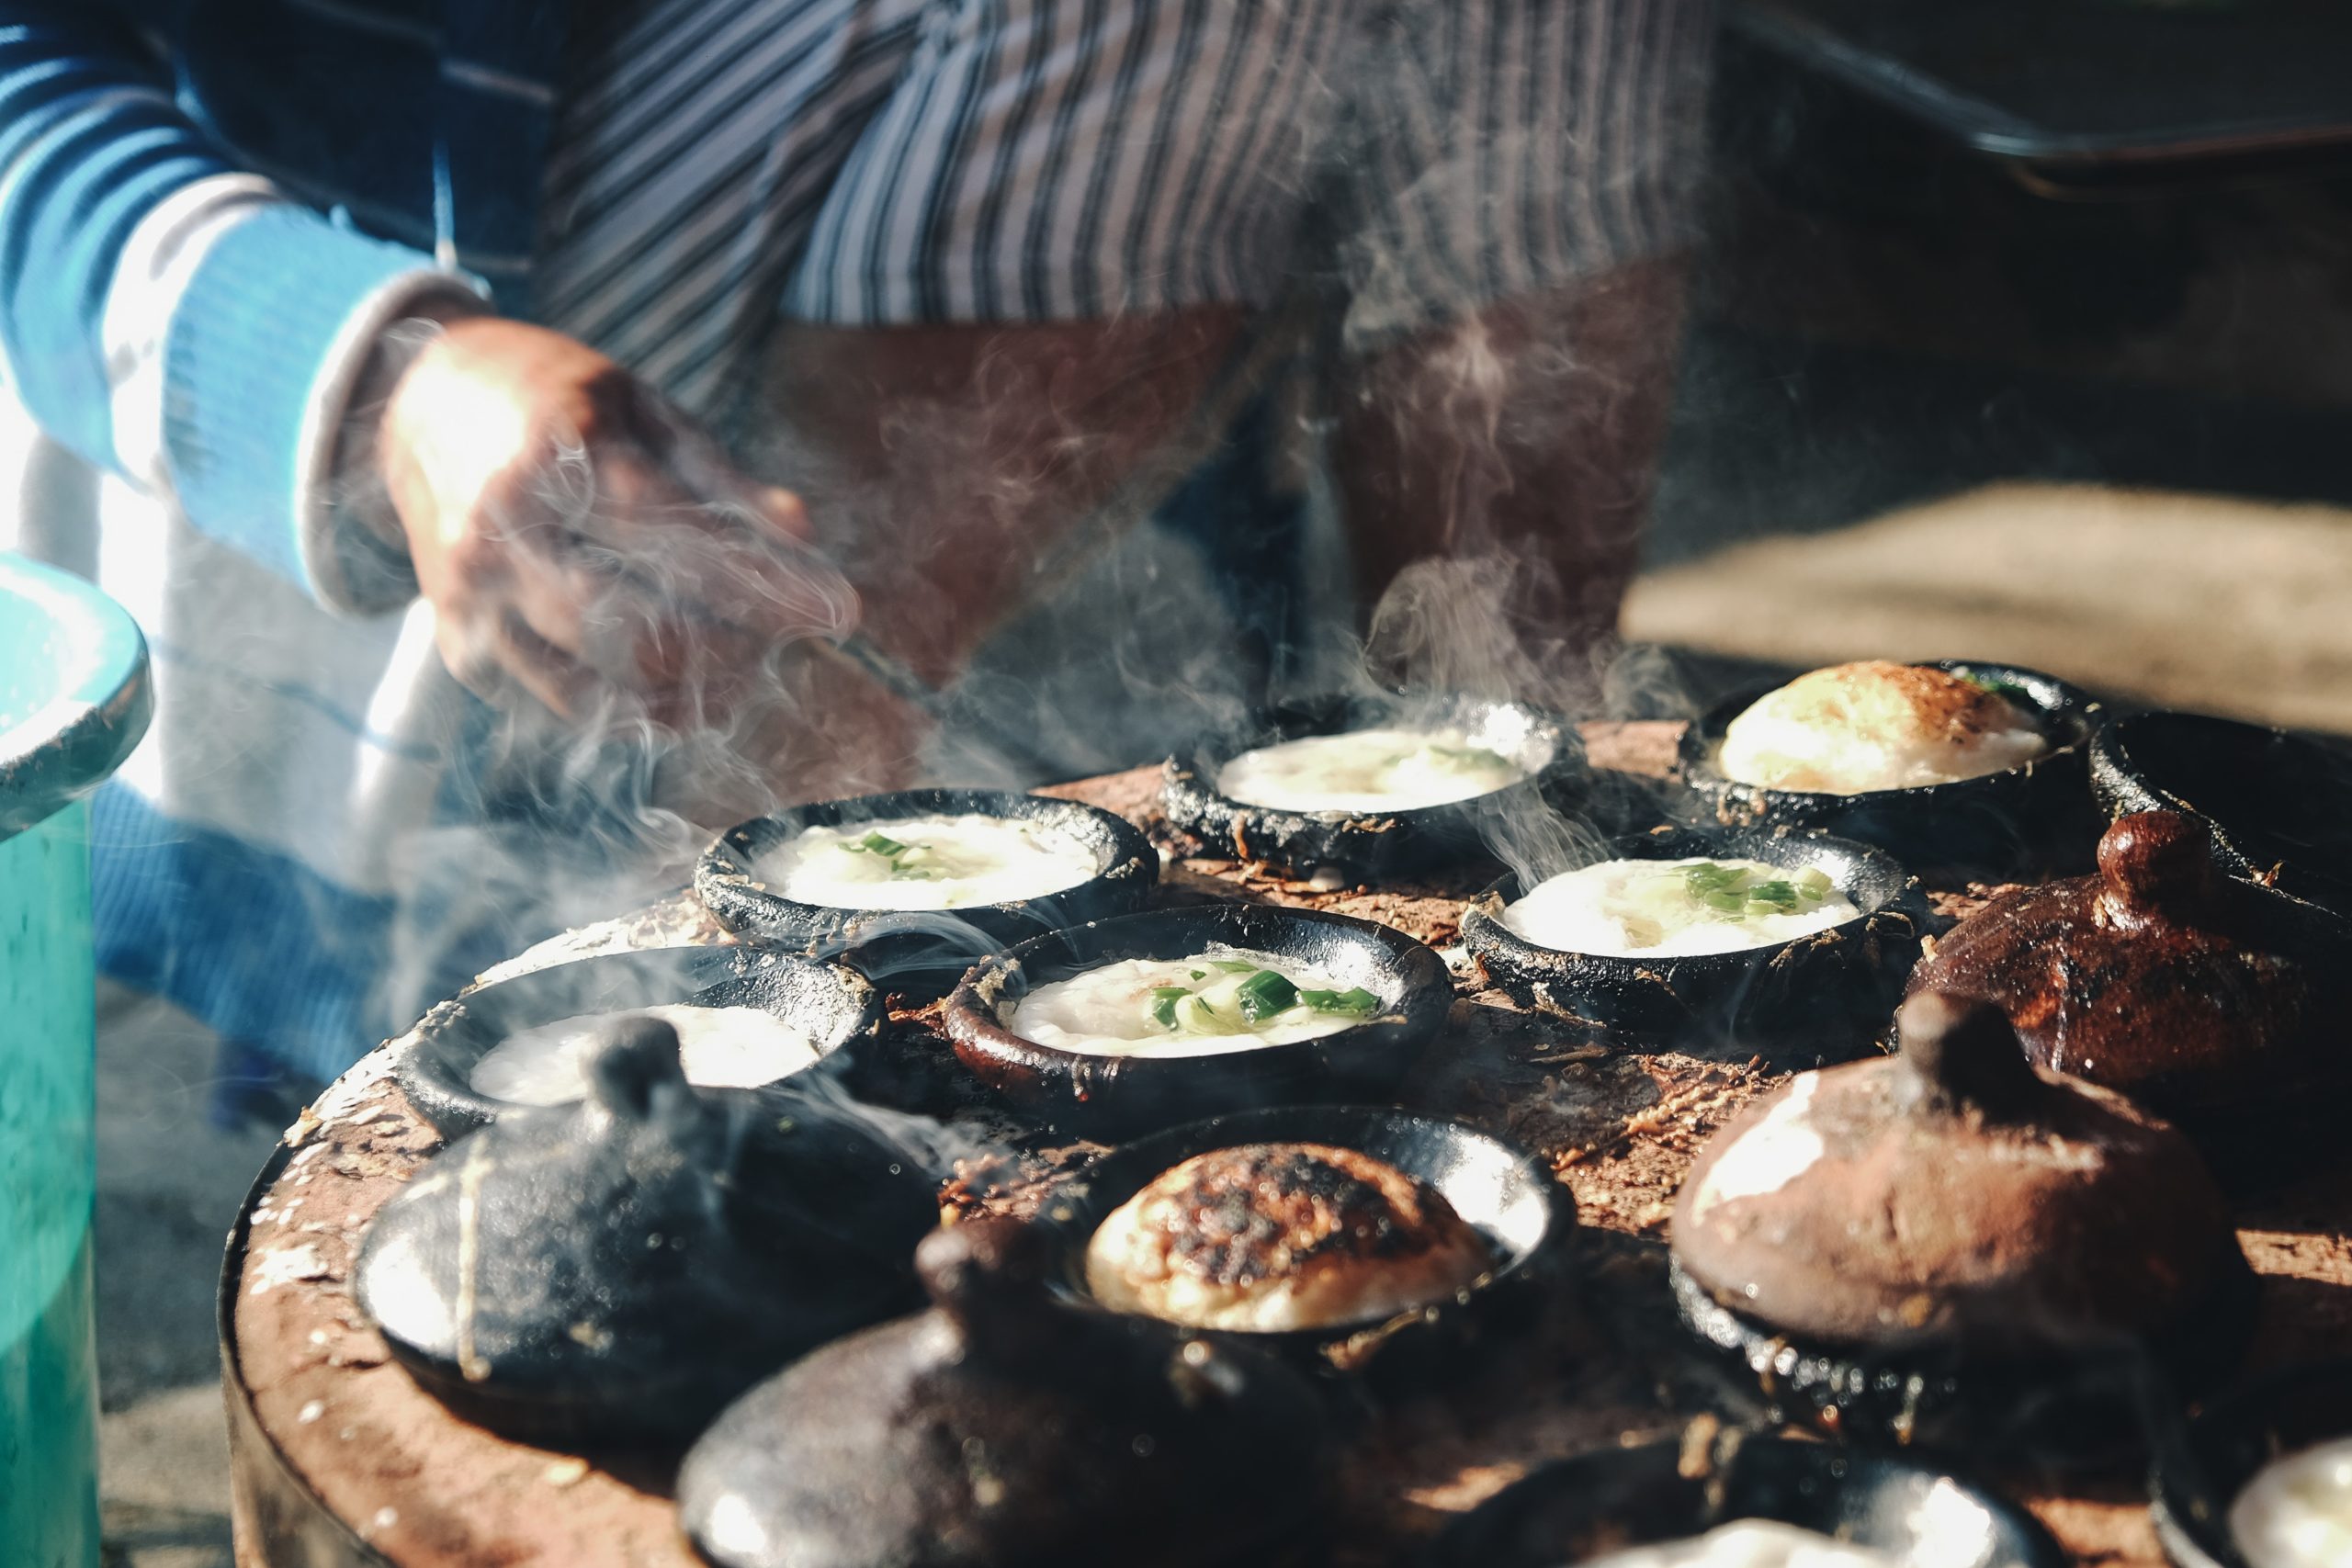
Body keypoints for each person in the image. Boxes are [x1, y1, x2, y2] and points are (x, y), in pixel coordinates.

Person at [0, 0, 1712, 1100]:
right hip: (415, 424)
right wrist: (381, 383)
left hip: (1007, 383)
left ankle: (1521, 877)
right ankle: (725, 1002)